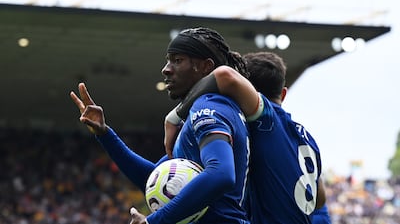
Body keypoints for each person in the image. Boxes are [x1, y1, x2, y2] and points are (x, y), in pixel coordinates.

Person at [70, 27, 251, 224]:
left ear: (205, 67)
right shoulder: (205, 111)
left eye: (177, 60)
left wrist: (153, 222)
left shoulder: (208, 107)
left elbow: (221, 174)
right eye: (168, 60)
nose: (166, 69)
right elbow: (154, 179)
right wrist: (105, 134)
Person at [164, 51, 329, 223]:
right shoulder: (308, 139)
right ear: (283, 94)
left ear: (245, 90)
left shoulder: (267, 120)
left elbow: (225, 76)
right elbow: (320, 199)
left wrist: (175, 116)